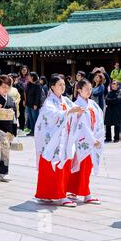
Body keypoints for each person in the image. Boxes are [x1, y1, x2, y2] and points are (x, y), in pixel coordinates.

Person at [34, 75, 84, 207]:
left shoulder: (66, 100)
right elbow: (51, 115)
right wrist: (68, 112)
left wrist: (79, 111)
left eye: (63, 84)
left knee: (63, 165)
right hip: (52, 141)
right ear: (52, 86)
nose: (62, 87)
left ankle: (58, 193)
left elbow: (74, 109)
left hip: (64, 138)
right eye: (59, 85)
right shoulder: (49, 102)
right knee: (52, 166)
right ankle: (55, 195)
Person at [67, 79, 104, 205]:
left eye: (90, 88)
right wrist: (92, 139)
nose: (89, 91)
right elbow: (81, 124)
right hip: (81, 140)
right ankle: (85, 193)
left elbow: (99, 121)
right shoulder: (76, 105)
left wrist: (98, 136)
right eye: (86, 89)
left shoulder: (92, 104)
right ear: (79, 90)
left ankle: (74, 191)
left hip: (92, 138)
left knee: (85, 167)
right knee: (82, 167)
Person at [0, 75, 18, 182]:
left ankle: (0, 172)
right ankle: (3, 172)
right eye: (3, 86)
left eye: (8, 87)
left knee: (5, 150)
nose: (6, 89)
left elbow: (15, 115)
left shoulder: (10, 99)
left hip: (9, 127)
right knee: (4, 149)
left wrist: (15, 128)